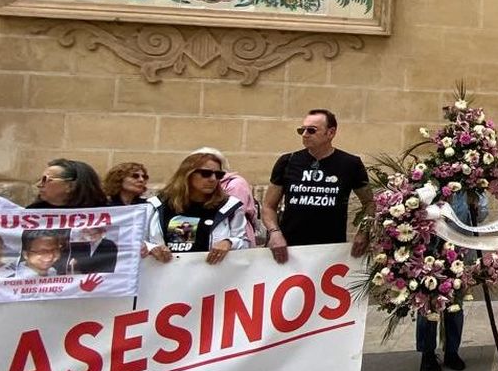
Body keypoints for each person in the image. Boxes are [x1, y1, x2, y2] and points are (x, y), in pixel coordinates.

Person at [262, 109, 372, 263]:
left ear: (331, 133)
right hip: (289, 249)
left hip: (329, 251)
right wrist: (274, 233)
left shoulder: (350, 164)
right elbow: (268, 206)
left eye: (311, 130)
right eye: (302, 130)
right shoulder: (287, 161)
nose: (305, 134)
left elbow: (370, 203)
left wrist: (364, 231)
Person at [417, 187, 486, 371]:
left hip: (459, 254)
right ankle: (428, 353)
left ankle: (452, 351)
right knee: (428, 305)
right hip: (431, 254)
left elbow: (482, 214)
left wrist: (477, 207)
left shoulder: (470, 187)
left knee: (455, 305)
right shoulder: (430, 186)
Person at [144, 152, 249, 265]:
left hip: (211, 275)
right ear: (187, 174)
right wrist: (152, 248)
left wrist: (229, 243)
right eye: (206, 173)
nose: (213, 179)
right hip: (166, 274)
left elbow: (245, 243)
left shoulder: (229, 207)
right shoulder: (158, 205)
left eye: (218, 175)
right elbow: (137, 241)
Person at [194, 147, 261, 246]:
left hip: (232, 236)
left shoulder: (235, 184)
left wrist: (229, 243)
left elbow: (232, 213)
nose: (212, 179)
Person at [30, 159, 109, 209]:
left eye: (45, 179)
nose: (39, 184)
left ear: (71, 186)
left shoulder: (106, 214)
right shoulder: (34, 212)